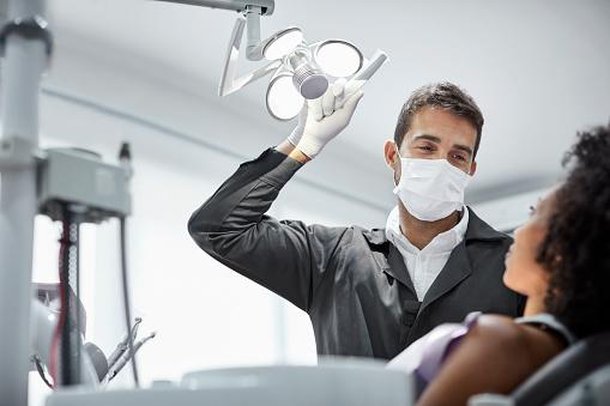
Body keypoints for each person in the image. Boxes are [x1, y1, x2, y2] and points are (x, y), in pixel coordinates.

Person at [188, 81, 524, 360]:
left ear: (470, 171)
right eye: (426, 147)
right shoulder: (330, 257)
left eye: (457, 155)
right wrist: (303, 144)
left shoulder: (515, 266)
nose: (441, 164)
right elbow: (217, 228)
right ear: (393, 156)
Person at [388, 124, 610, 405]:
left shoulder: (504, 342)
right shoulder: (568, 352)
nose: (516, 231)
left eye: (535, 212)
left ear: (560, 250)